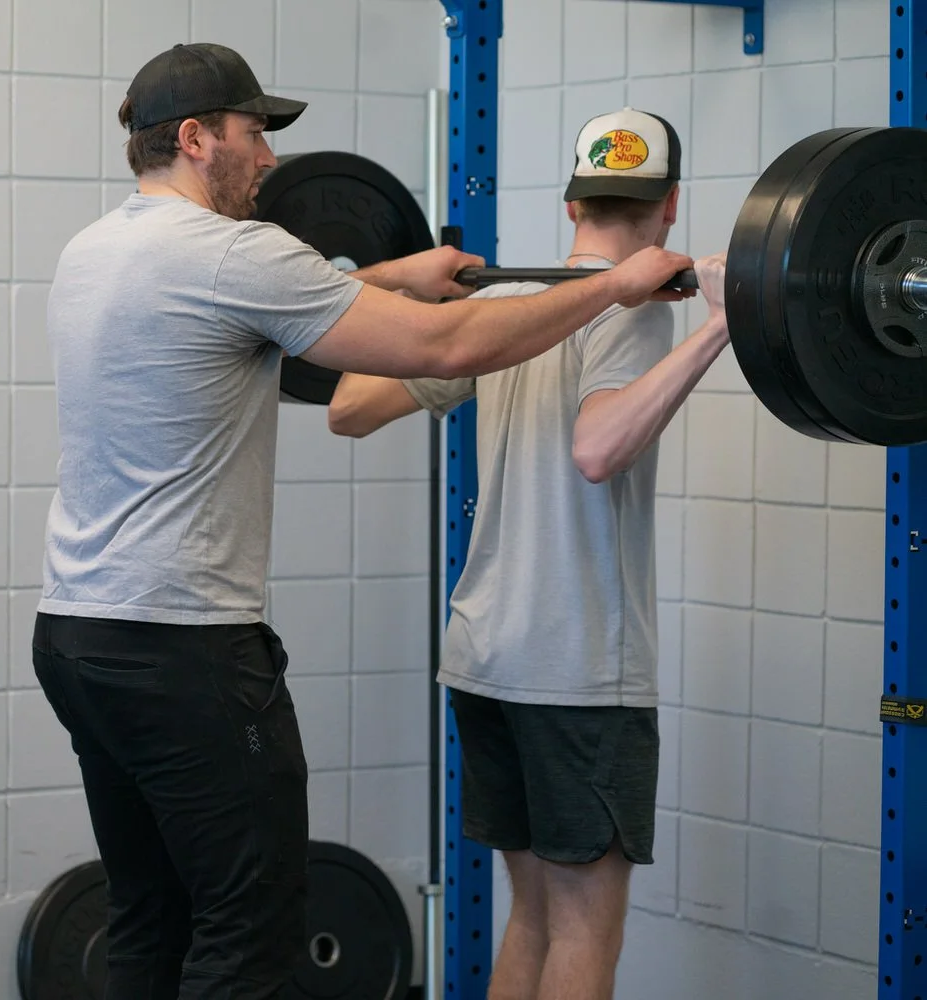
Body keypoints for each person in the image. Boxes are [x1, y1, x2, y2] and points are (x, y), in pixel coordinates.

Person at [30, 41, 694, 999]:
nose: (269, 160)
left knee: (150, 917)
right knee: (246, 937)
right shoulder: (230, 252)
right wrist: (612, 288)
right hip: (186, 653)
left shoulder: (96, 250)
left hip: (80, 637)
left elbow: (274, 321)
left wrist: (390, 273)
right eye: (255, 135)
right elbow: (443, 344)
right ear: (195, 138)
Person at [327, 108, 731, 1000]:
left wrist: (428, 305)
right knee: (586, 931)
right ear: (668, 208)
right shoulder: (631, 310)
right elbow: (598, 450)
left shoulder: (505, 311)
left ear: (570, 206)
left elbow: (348, 403)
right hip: (577, 668)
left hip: (486, 661)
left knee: (534, 918)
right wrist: (717, 328)